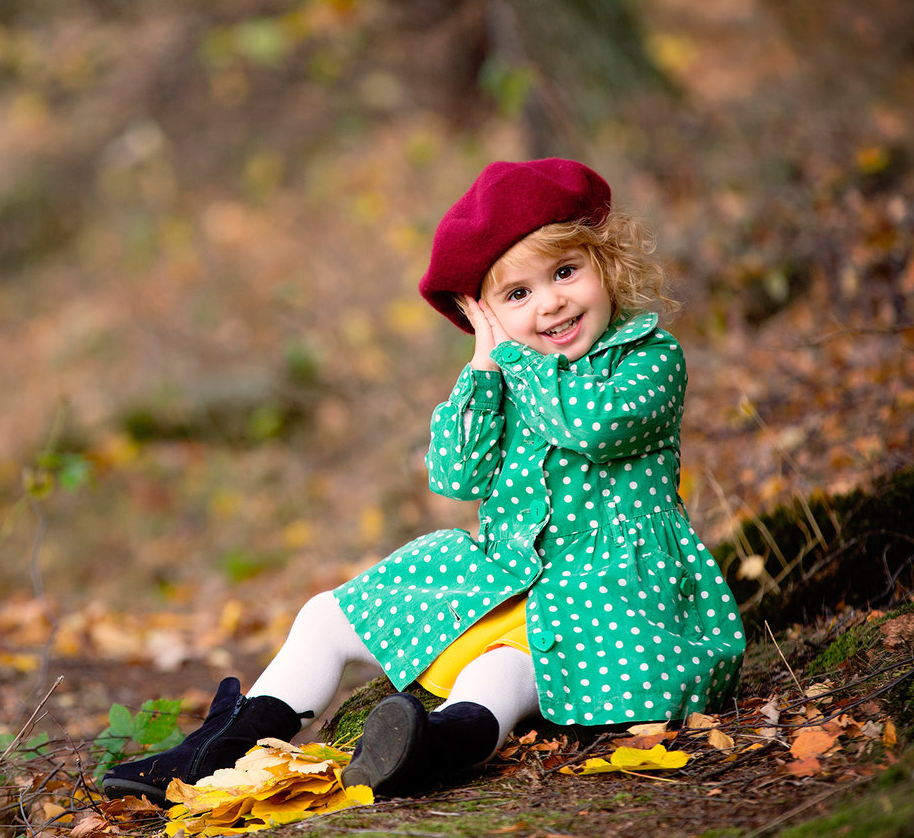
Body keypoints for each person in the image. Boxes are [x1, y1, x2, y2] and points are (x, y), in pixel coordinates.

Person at [101, 158, 745, 803]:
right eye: (517, 295)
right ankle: (219, 751)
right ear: (486, 316)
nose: (550, 302)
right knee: (325, 615)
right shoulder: (508, 375)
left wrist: (515, 358)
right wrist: (484, 367)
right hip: (509, 575)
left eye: (564, 272)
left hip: (610, 594)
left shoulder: (649, 356)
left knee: (501, 673)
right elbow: (456, 474)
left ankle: (431, 747)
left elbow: (594, 427)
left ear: (605, 264)